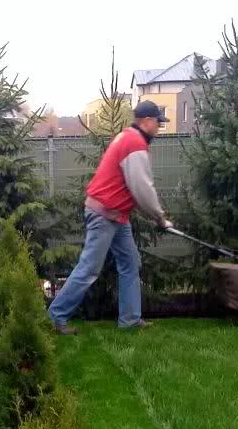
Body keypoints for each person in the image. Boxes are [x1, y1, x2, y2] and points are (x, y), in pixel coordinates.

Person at [48, 100, 174, 335]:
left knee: (130, 263)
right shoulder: (134, 143)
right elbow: (142, 188)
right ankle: (56, 317)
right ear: (146, 121)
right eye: (158, 122)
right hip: (103, 213)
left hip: (117, 216)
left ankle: (130, 320)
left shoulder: (127, 137)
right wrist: (159, 218)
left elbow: (134, 188)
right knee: (89, 268)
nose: (159, 127)